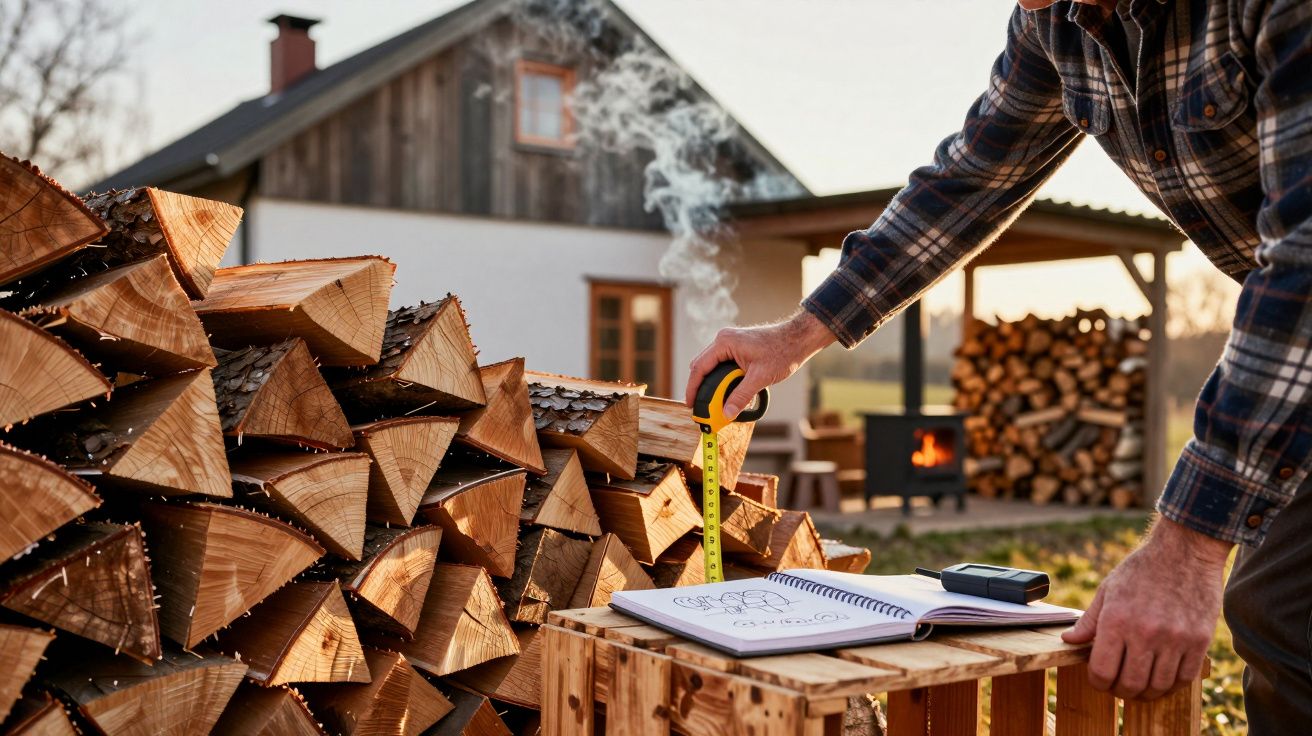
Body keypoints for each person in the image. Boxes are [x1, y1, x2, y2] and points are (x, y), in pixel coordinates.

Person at [686, 0, 1310, 728]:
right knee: (1282, 614)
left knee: (1282, 612)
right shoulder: (1054, 27)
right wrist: (795, 336)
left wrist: (1185, 550)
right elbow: (966, 185)